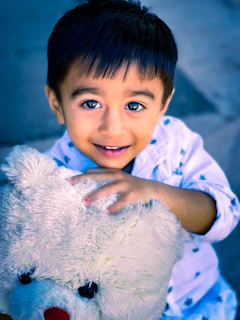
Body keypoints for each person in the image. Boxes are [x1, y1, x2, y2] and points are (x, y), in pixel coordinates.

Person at [43, 0, 240, 318]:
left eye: (134, 106)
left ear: (162, 105)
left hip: (202, 306)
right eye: (91, 103)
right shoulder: (51, 177)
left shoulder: (177, 145)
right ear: (56, 103)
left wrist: (158, 193)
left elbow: (224, 218)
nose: (113, 127)